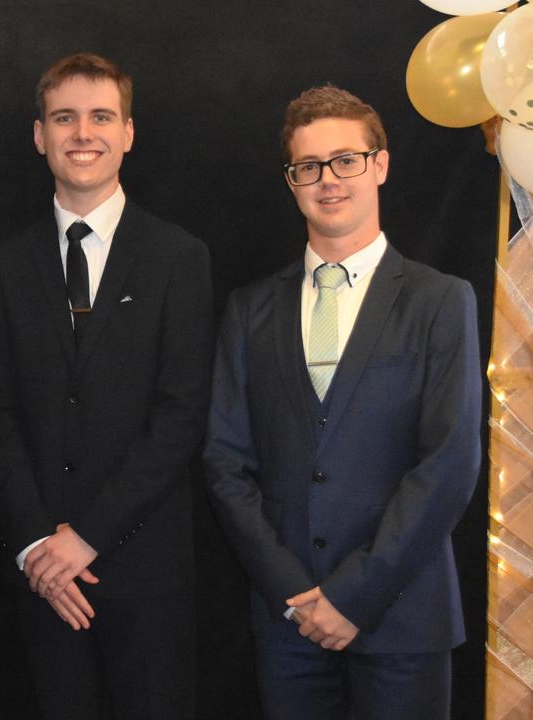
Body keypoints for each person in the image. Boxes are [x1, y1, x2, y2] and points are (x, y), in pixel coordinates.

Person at [204, 85, 481, 720]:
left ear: (379, 165)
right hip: (289, 624)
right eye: (309, 166)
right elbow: (224, 461)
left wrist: (354, 596)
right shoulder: (250, 308)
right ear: (291, 181)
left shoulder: (441, 301)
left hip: (404, 616)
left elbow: (449, 464)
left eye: (345, 160)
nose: (328, 180)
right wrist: (295, 592)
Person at [0, 52, 212, 720]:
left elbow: (180, 416)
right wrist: (35, 546)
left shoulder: (179, 258)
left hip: (146, 572)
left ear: (128, 132)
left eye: (100, 116)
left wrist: (82, 538)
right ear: (39, 135)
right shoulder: (1, 264)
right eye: (64, 117)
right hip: (38, 578)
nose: (82, 133)